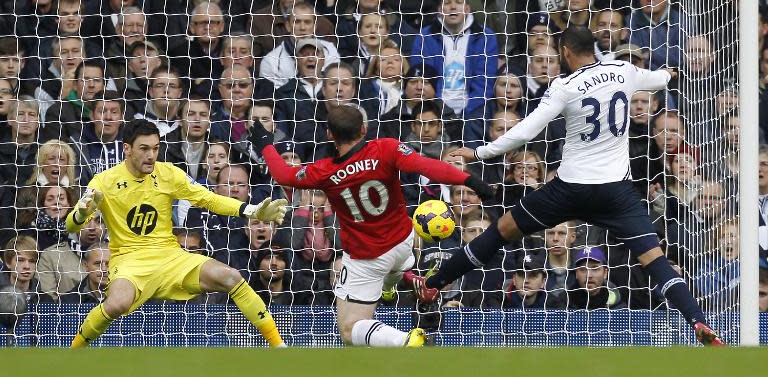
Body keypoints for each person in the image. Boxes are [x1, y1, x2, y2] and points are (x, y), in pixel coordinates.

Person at [404, 25, 725, 345]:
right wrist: (670, 73)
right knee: (654, 259)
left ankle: (435, 282)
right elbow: (660, 78)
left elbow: (526, 131)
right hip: (616, 191)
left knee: (501, 230)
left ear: (566, 52)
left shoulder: (565, 85)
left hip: (569, 189)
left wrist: (480, 151)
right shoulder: (624, 70)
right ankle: (697, 320)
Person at [250, 103, 494, 347]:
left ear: (329, 134)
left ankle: (406, 341)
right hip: (403, 242)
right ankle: (405, 280)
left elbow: (282, 174)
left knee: (349, 330)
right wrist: (471, 180)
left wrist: (266, 144)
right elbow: (426, 166)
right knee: (395, 264)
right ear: (364, 129)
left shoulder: (323, 171)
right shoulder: (387, 148)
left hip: (367, 258)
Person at [65, 119, 289, 348]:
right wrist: (81, 214)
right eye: (144, 149)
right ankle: (72, 355)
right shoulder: (104, 181)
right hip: (130, 261)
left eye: (155, 148)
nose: (151, 155)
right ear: (127, 149)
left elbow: (207, 198)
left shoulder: (168, 173)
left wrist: (251, 210)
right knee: (116, 305)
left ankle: (279, 347)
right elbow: (71, 226)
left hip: (170, 257)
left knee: (232, 277)